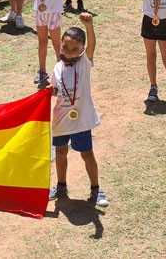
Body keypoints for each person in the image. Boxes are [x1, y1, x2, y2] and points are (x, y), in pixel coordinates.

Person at [47, 12, 109, 207]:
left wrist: (89, 26)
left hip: (81, 119)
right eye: (65, 47)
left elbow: (92, 46)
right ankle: (61, 185)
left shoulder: (84, 63)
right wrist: (51, 91)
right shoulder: (57, 67)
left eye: (75, 49)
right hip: (61, 119)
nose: (68, 51)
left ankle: (96, 189)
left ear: (82, 50)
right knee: (60, 152)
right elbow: (58, 90)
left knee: (87, 154)